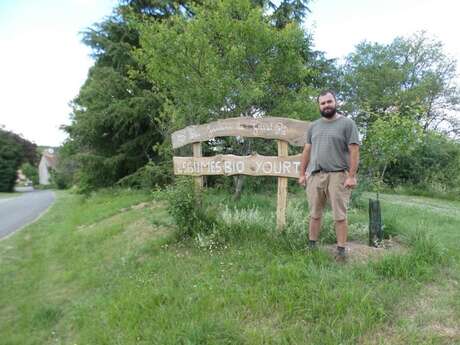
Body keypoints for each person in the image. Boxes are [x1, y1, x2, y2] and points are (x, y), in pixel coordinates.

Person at [298, 90, 360, 262]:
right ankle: (312, 246)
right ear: (319, 105)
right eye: (323, 103)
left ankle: (341, 251)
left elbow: (354, 150)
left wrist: (352, 176)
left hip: (338, 175)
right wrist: (302, 174)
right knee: (314, 214)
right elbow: (307, 150)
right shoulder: (314, 126)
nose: (326, 105)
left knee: (339, 215)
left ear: (335, 102)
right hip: (316, 175)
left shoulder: (347, 124)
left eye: (329, 102)